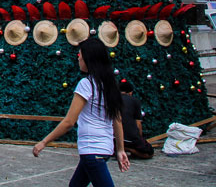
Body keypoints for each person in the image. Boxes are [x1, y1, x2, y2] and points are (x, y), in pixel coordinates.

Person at [33, 38, 130, 187]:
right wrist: (120, 150)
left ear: (89, 58)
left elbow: (69, 122)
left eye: (80, 54)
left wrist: (44, 142)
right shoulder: (110, 85)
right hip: (103, 151)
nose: (78, 58)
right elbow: (117, 120)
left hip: (92, 151)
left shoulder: (86, 84)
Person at [118, 81, 153, 159]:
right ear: (130, 92)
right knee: (149, 153)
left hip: (114, 138)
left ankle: (119, 149)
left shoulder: (112, 100)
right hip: (131, 138)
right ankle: (129, 149)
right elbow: (138, 123)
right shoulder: (134, 101)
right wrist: (140, 138)